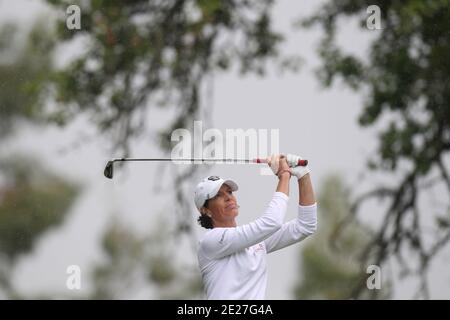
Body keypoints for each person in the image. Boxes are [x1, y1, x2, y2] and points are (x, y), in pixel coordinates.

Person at [194, 154, 317, 299]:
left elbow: (305, 225)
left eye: (229, 192)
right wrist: (284, 175)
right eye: (217, 195)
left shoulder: (255, 241)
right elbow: (272, 222)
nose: (228, 197)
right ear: (205, 210)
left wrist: (303, 175)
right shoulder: (211, 241)